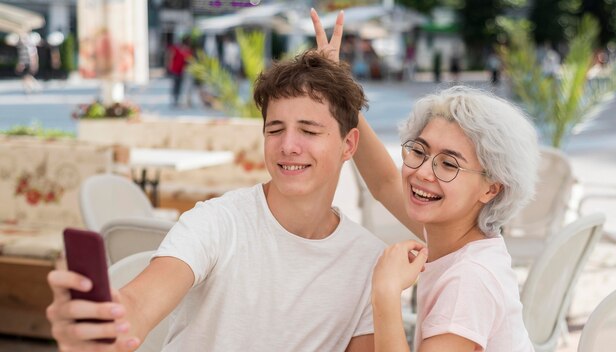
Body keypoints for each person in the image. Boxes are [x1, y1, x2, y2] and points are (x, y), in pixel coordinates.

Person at [46, 47, 386, 351]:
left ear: (349, 145)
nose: (288, 146)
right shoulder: (216, 222)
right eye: (275, 129)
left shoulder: (369, 262)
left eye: (309, 131)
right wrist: (103, 327)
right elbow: (139, 301)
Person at [312, 10, 538, 352]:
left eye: (449, 163)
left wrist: (385, 294)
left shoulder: (469, 279)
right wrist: (339, 91)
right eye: (419, 150)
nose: (423, 172)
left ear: (491, 188)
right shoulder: (454, 235)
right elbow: (386, 182)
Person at [166, 35, 192, 107]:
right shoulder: (176, 48)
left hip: (182, 71)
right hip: (175, 69)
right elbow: (170, 57)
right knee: (175, 85)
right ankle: (174, 100)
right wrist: (169, 66)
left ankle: (177, 100)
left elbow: (188, 60)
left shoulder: (187, 50)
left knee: (180, 85)